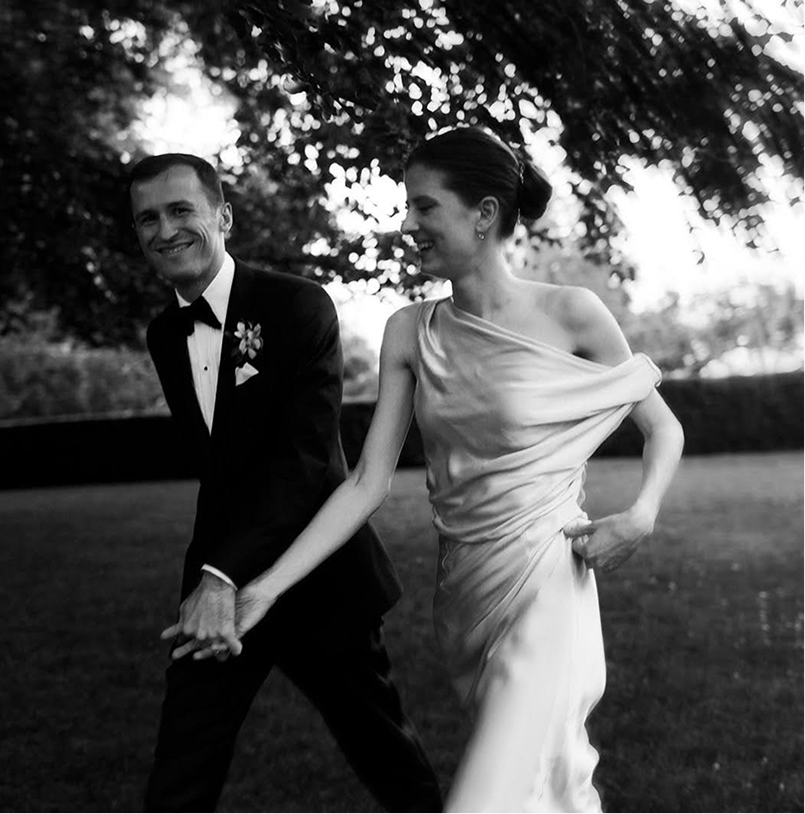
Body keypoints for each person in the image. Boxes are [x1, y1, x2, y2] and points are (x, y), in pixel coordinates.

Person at [178, 127, 685, 812]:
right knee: (548, 789)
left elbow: (662, 427)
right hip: (467, 595)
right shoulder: (408, 330)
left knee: (487, 797)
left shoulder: (573, 313)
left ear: (483, 214)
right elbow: (365, 484)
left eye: (424, 207)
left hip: (548, 585)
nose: (407, 224)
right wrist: (266, 588)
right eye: (406, 207)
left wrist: (640, 516)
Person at [129, 153, 442, 814]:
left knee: (384, 753)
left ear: (224, 216)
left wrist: (221, 573)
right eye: (147, 219)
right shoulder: (164, 334)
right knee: (182, 761)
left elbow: (303, 460)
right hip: (220, 588)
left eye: (181, 210)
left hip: (319, 576)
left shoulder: (297, 304)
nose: (165, 230)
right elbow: (221, 470)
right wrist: (213, 581)